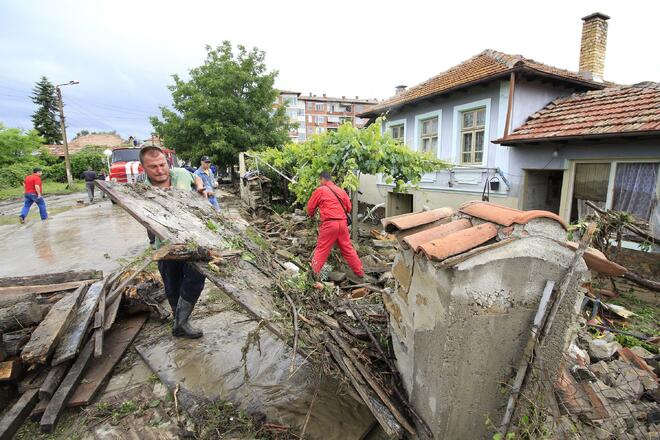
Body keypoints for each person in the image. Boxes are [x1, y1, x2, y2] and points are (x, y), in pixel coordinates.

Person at [140, 145, 209, 339]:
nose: (160, 170)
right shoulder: (140, 190)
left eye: (162, 164)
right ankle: (178, 322)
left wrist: (200, 187)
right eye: (153, 167)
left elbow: (195, 177)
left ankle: (181, 322)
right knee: (172, 284)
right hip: (165, 245)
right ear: (143, 168)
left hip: (193, 240)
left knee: (196, 278)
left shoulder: (179, 173)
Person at [306, 171, 364, 288]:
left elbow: (310, 208)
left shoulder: (320, 190)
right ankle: (360, 273)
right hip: (342, 224)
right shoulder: (340, 190)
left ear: (322, 179)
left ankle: (312, 276)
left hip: (329, 224)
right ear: (330, 179)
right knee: (348, 249)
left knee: (322, 249)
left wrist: (311, 214)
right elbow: (348, 207)